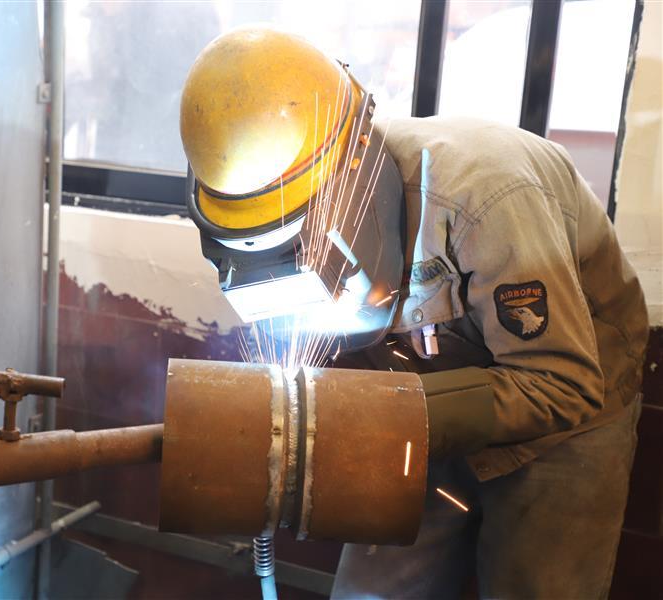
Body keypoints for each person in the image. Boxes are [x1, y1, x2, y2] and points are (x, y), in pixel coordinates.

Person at [179, 27, 648, 598]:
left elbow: (563, 383)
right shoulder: (266, 216)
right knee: (369, 592)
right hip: (422, 405)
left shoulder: (486, 196)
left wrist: (384, 417)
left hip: (569, 420)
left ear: (346, 182)